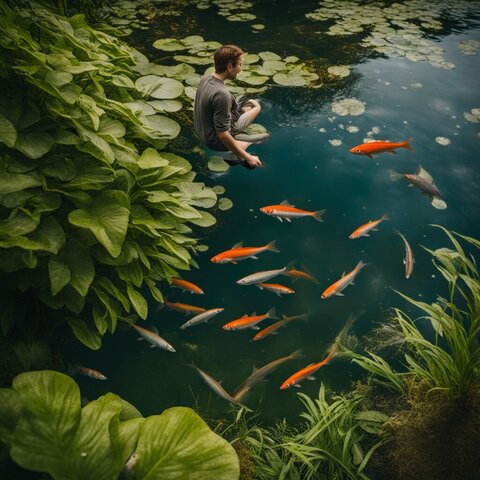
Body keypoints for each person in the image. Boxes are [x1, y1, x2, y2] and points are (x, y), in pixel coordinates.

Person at [193, 44, 264, 169]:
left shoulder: (206, 78)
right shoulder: (222, 94)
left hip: (201, 131)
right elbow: (223, 134)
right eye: (240, 65)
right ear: (230, 66)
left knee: (246, 104)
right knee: (256, 110)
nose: (240, 69)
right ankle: (234, 156)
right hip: (214, 142)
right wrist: (249, 157)